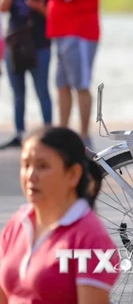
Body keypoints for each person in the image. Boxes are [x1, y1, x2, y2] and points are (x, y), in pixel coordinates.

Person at [0, 126, 119, 304]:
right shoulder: (17, 223)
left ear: (73, 174)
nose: (31, 175)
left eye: (42, 166)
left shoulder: (90, 238)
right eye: (26, 165)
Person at [30, 0, 101, 147]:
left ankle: (83, 136)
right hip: (64, 33)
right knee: (62, 83)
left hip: (78, 33)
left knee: (80, 83)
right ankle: (62, 132)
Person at [0, 0, 53, 149]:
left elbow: (53, 17)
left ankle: (48, 131)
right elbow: (2, 7)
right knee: (18, 93)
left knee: (42, 91)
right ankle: (19, 132)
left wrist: (39, 6)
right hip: (15, 47)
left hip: (40, 47)